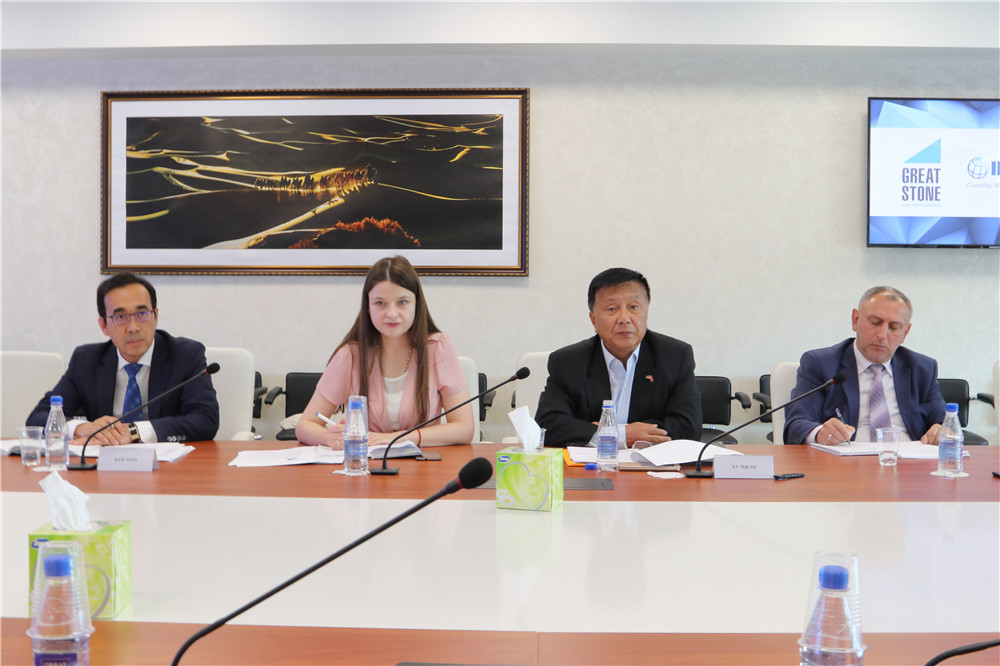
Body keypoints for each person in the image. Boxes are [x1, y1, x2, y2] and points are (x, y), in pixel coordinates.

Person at [296, 256, 475, 448]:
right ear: (368, 307)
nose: (391, 314)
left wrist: (399, 438)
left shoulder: (438, 348)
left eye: (402, 302)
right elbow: (304, 426)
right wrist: (328, 437)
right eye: (380, 303)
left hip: (423, 462)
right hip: (367, 462)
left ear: (416, 304)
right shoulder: (350, 355)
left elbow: (464, 428)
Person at [26, 272, 219, 444]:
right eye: (120, 317)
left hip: (168, 465)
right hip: (104, 464)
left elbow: (205, 420)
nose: (133, 327)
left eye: (142, 314)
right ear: (104, 325)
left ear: (155, 316)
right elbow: (39, 417)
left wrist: (135, 432)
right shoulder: (86, 360)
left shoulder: (185, 355)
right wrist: (82, 428)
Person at [535, 267, 702, 447]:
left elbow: (688, 427)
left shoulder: (675, 356)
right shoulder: (568, 362)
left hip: (651, 462)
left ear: (646, 314)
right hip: (589, 462)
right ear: (594, 320)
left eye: (633, 307)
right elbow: (547, 425)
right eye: (612, 308)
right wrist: (622, 434)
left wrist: (596, 432)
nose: (624, 318)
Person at [783, 286, 945, 446]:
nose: (882, 335)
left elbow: (945, 423)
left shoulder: (922, 369)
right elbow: (797, 423)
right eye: (875, 323)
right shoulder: (820, 363)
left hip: (909, 458)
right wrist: (819, 433)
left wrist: (942, 431)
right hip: (845, 459)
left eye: (894, 327)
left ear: (905, 332)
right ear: (855, 320)